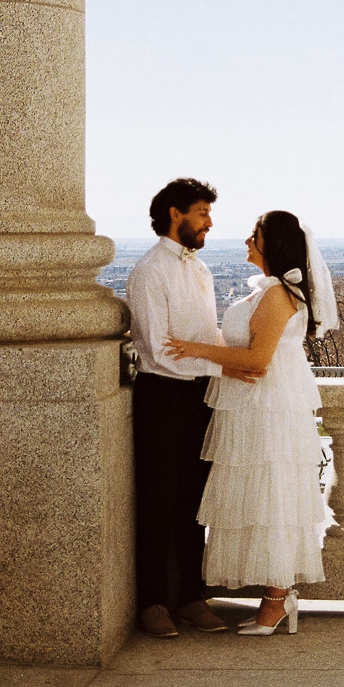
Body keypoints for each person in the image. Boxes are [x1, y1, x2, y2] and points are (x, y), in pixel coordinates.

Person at [165, 210, 338, 635]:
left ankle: (277, 601)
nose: (246, 240)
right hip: (253, 406)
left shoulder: (279, 294)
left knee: (273, 497)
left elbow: (258, 361)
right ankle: (276, 598)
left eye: (254, 235)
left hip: (268, 407)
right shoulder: (268, 291)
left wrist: (195, 349)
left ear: (270, 244)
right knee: (260, 497)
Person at [127, 178, 261, 639]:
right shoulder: (148, 272)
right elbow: (160, 350)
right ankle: (152, 603)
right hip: (161, 395)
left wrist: (229, 363)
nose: (209, 222)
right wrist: (226, 369)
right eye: (202, 213)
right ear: (174, 214)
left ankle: (191, 597)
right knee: (158, 501)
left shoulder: (200, 271)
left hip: (199, 395)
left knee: (192, 501)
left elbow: (209, 337)